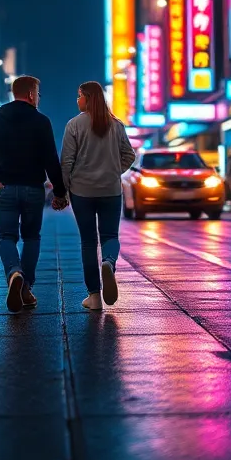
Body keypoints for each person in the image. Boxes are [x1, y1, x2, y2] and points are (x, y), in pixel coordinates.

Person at [0, 75, 68, 312]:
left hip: (5, 188)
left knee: (7, 237)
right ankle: (26, 285)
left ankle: (13, 273)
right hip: (33, 188)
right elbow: (51, 160)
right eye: (37, 93)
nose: (38, 98)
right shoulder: (41, 121)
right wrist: (59, 191)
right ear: (30, 94)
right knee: (31, 237)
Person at [61, 81, 136, 312]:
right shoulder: (116, 125)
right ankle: (108, 262)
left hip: (81, 191)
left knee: (88, 241)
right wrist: (114, 171)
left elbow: (66, 162)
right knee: (110, 235)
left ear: (87, 98)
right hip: (110, 190)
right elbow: (129, 155)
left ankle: (94, 297)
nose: (77, 100)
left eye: (79, 96)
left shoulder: (74, 125)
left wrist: (63, 190)